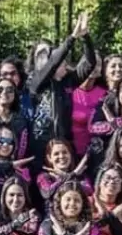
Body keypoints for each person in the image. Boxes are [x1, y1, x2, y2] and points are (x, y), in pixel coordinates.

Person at [26, 12, 97, 164]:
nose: (66, 63)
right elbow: (52, 63)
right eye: (62, 60)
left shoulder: (68, 81)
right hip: (41, 143)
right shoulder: (37, 81)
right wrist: (72, 38)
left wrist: (85, 37)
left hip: (63, 142)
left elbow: (90, 63)